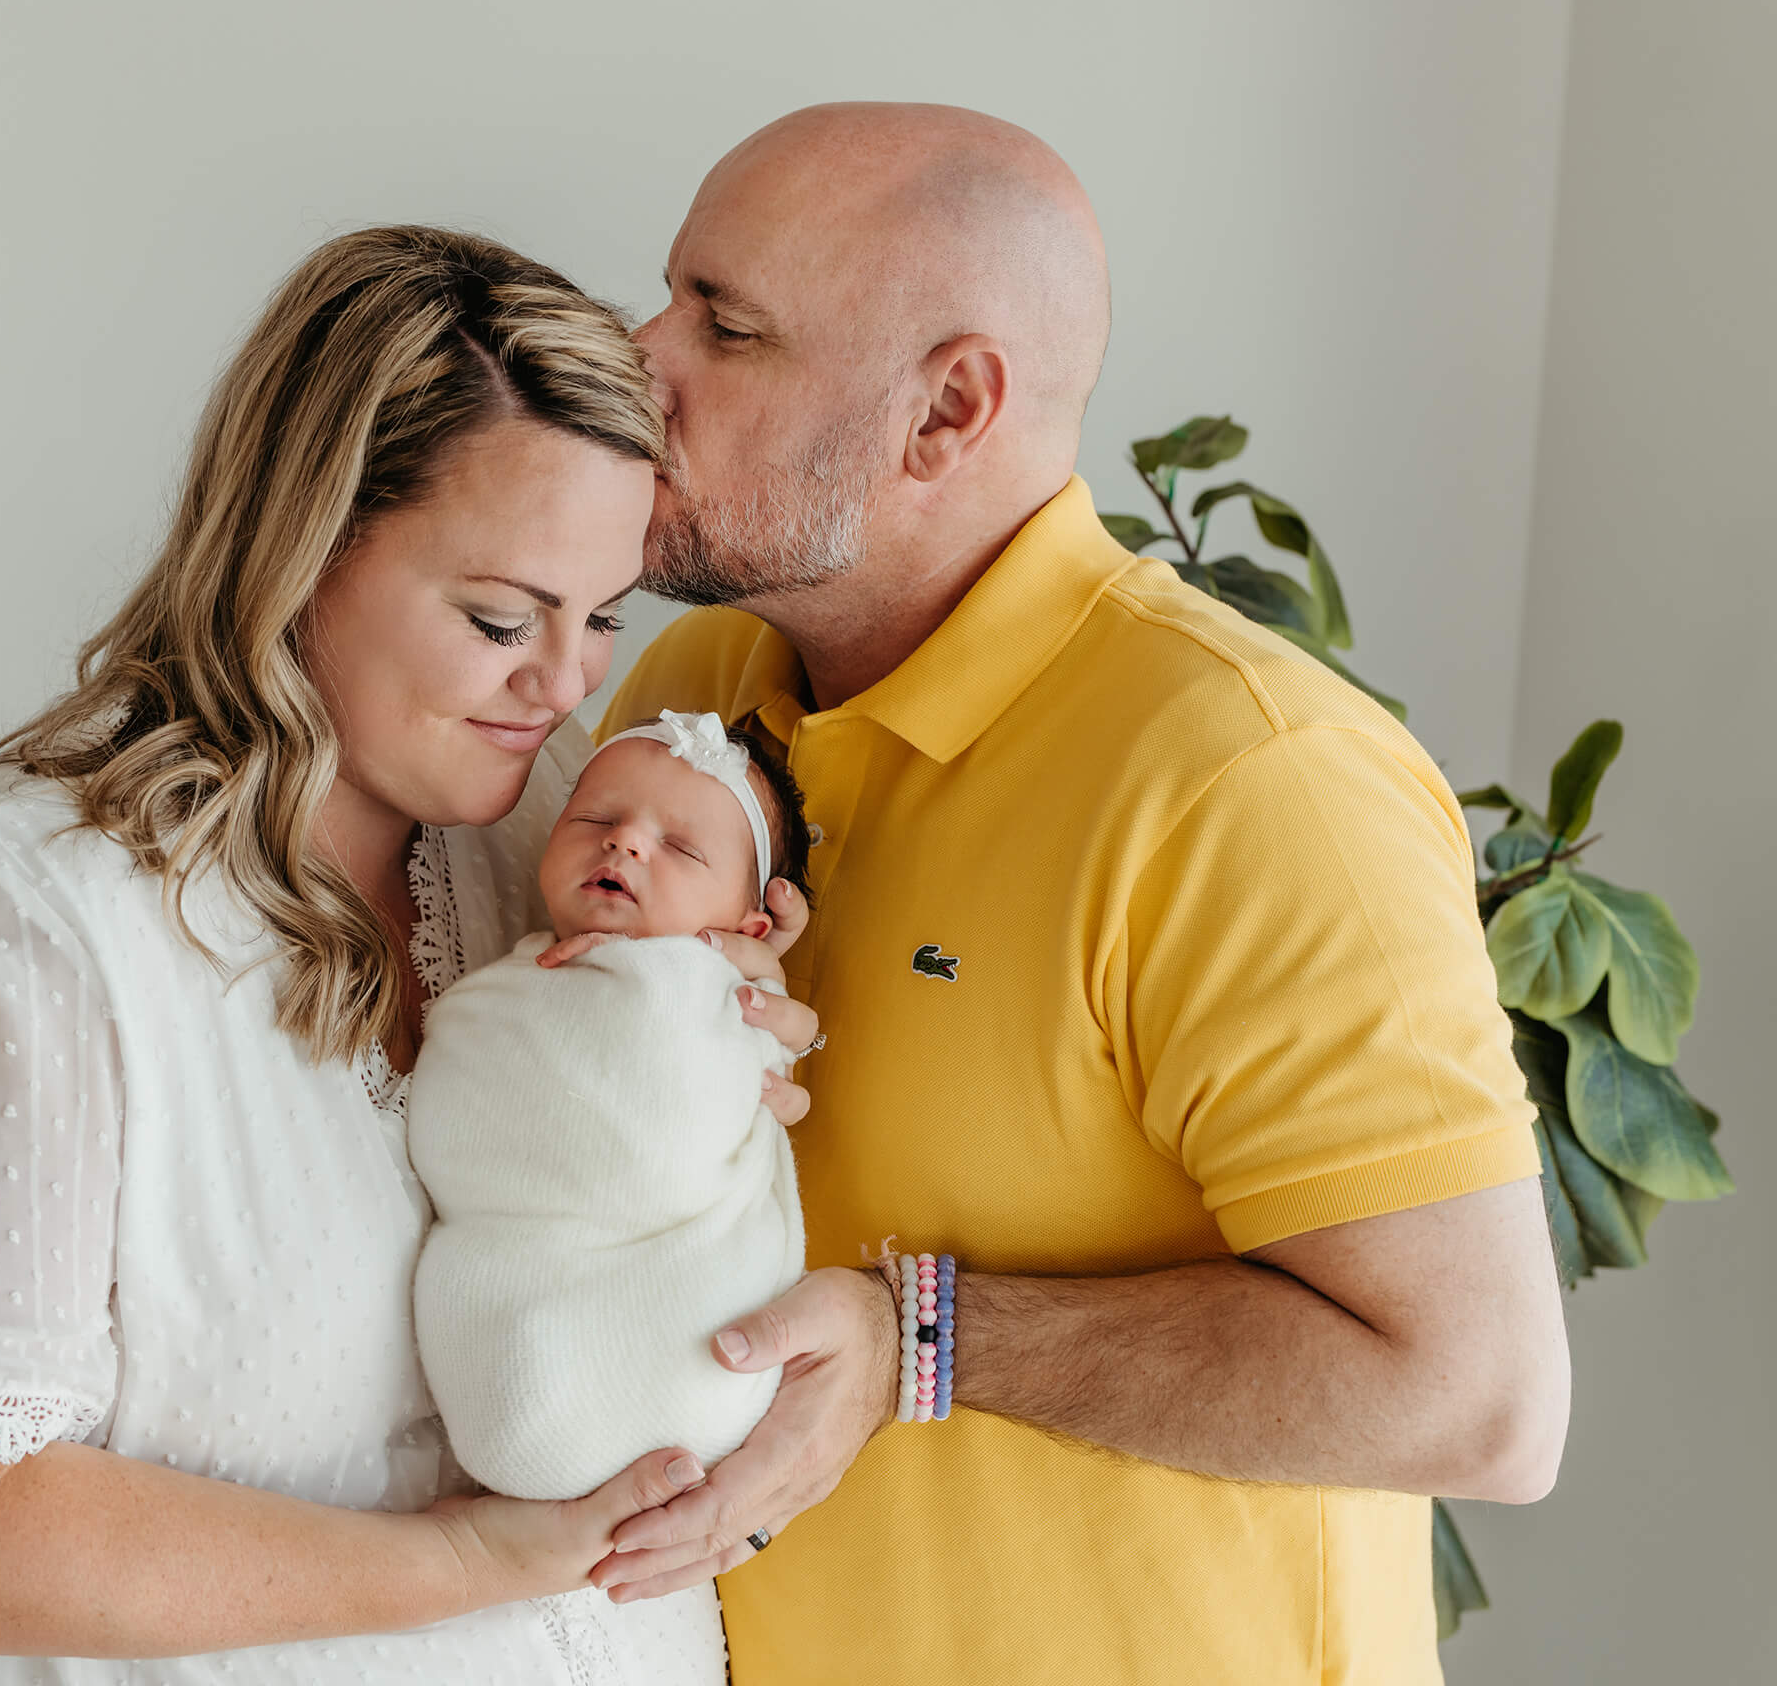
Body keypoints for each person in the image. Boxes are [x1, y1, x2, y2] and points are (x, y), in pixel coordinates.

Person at [0, 224, 821, 1685]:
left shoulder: (564, 835)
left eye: (599, 620)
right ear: (300, 549)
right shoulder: (1, 928)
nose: (562, 683)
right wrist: (463, 1563)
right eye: (501, 618)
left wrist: (723, 1021)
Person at [588, 103, 1573, 1685]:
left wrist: (929, 1339)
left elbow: (1476, 1396)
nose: (644, 358)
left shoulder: (1253, 777)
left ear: (945, 411)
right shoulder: (701, 687)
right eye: (670, 295)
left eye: (727, 324)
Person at [410, 710, 814, 1500]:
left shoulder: (714, 1000)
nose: (624, 841)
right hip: (504, 1322)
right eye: (594, 818)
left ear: (748, 929)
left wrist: (722, 997)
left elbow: (657, 1148)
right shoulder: (506, 989)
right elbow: (458, 1124)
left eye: (682, 847)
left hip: (683, 1346)